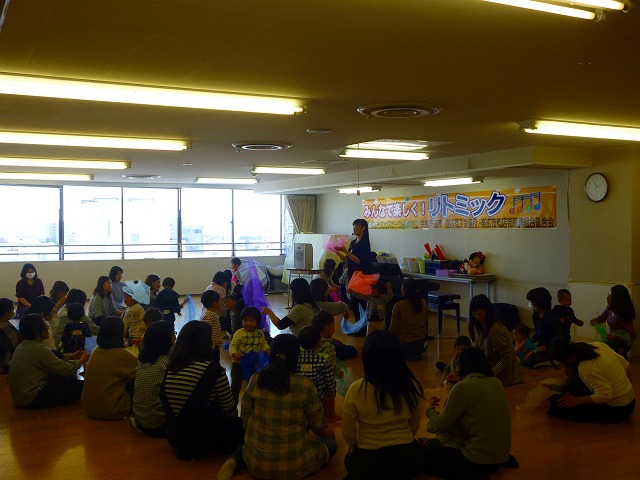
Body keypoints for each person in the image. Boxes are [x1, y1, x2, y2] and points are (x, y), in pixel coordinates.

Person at [217, 333, 335, 480]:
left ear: (271, 354)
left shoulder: (256, 379)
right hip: (295, 466)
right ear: (296, 358)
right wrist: (327, 433)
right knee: (330, 444)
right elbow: (317, 424)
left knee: (248, 443)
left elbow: (246, 415)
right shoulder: (305, 385)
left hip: (256, 465)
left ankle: (233, 462)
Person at [421, 348, 515, 480]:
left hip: (478, 460)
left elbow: (441, 425)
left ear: (462, 366)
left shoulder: (463, 387)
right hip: (500, 458)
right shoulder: (496, 382)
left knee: (421, 458)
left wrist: (429, 409)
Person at [342, 330, 423, 480]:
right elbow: (414, 425)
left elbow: (348, 432)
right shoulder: (411, 386)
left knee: (348, 461)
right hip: (407, 459)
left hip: (369, 461)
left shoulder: (356, 389)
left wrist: (354, 447)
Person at [161, 321, 243, 461]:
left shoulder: (171, 367)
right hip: (204, 438)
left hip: (175, 437)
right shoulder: (213, 370)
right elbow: (229, 410)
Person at [547, 337, 635, 423]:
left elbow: (605, 395)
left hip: (618, 410)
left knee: (558, 404)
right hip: (631, 401)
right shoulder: (598, 345)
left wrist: (576, 400)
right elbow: (625, 364)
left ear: (567, 360)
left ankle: (551, 404)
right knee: (566, 398)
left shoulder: (585, 367)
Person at [8, 313, 88, 408]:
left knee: (57, 355)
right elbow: (64, 369)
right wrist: (82, 360)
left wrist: (70, 356)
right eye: (45, 325)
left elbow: (50, 358)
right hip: (32, 398)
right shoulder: (39, 349)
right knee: (82, 386)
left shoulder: (22, 346)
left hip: (21, 397)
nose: (47, 328)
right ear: (37, 331)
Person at [82, 316, 138, 420]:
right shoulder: (123, 355)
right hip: (114, 410)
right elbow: (141, 372)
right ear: (119, 333)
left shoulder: (95, 351)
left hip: (89, 408)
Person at [468, 294, 524, 386]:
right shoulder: (483, 325)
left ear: (487, 311)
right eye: (474, 314)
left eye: (480, 314)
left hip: (504, 373)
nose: (477, 317)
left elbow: (506, 359)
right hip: (490, 366)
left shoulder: (495, 331)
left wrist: (489, 374)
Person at [131, 320, 175, 437]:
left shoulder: (143, 361)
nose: (175, 337)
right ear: (167, 339)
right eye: (173, 334)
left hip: (142, 421)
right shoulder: (167, 363)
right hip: (160, 425)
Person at [229, 306, 270, 405]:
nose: (248, 323)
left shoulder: (259, 333)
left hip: (253, 365)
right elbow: (233, 345)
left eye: (251, 321)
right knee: (235, 386)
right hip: (238, 364)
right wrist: (234, 353)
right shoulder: (239, 333)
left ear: (257, 321)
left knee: (252, 384)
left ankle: (251, 403)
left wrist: (267, 348)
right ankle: (233, 405)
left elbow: (263, 343)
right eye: (245, 321)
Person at [336, 219, 373, 321]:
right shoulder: (353, 243)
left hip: (361, 278)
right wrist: (337, 252)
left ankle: (363, 327)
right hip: (352, 277)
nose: (354, 228)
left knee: (362, 305)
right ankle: (358, 325)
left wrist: (345, 251)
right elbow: (347, 260)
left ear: (363, 228)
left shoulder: (365, 243)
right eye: (353, 226)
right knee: (354, 304)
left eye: (356, 226)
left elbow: (358, 261)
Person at [297, 326, 336, 421]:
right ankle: (329, 416)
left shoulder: (296, 360)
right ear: (319, 343)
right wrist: (331, 393)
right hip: (318, 397)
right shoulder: (322, 361)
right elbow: (330, 383)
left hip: (299, 396)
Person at [590, 284, 636, 358]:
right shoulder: (610, 307)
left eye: (610, 296)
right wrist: (595, 320)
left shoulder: (624, 314)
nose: (607, 297)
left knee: (618, 350)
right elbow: (602, 318)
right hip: (612, 338)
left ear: (617, 299)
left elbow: (632, 335)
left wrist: (617, 337)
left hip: (623, 341)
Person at [390, 278, 429, 360]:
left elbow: (393, 329)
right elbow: (425, 321)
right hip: (422, 344)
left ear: (404, 290)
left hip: (404, 345)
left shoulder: (399, 306)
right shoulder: (423, 303)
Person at [525, 287, 564, 368]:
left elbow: (556, 342)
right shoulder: (535, 315)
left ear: (539, 303)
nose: (529, 304)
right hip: (542, 347)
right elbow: (538, 332)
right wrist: (528, 341)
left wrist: (535, 350)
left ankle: (555, 361)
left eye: (531, 302)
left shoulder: (552, 317)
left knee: (530, 361)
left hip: (552, 349)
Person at [122, 280, 150, 345]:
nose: (125, 299)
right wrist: (123, 332)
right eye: (125, 297)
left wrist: (143, 327)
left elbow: (143, 318)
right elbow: (125, 322)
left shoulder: (139, 307)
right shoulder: (127, 310)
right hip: (131, 334)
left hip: (139, 334)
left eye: (128, 297)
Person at [200, 289, 223, 363]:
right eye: (219, 301)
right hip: (211, 347)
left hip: (214, 345)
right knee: (214, 362)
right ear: (215, 303)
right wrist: (212, 345)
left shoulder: (210, 314)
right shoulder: (209, 315)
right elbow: (207, 332)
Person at [0, 298, 19, 373]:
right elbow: (16, 346)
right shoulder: (5, 327)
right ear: (7, 313)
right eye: (12, 309)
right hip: (5, 364)